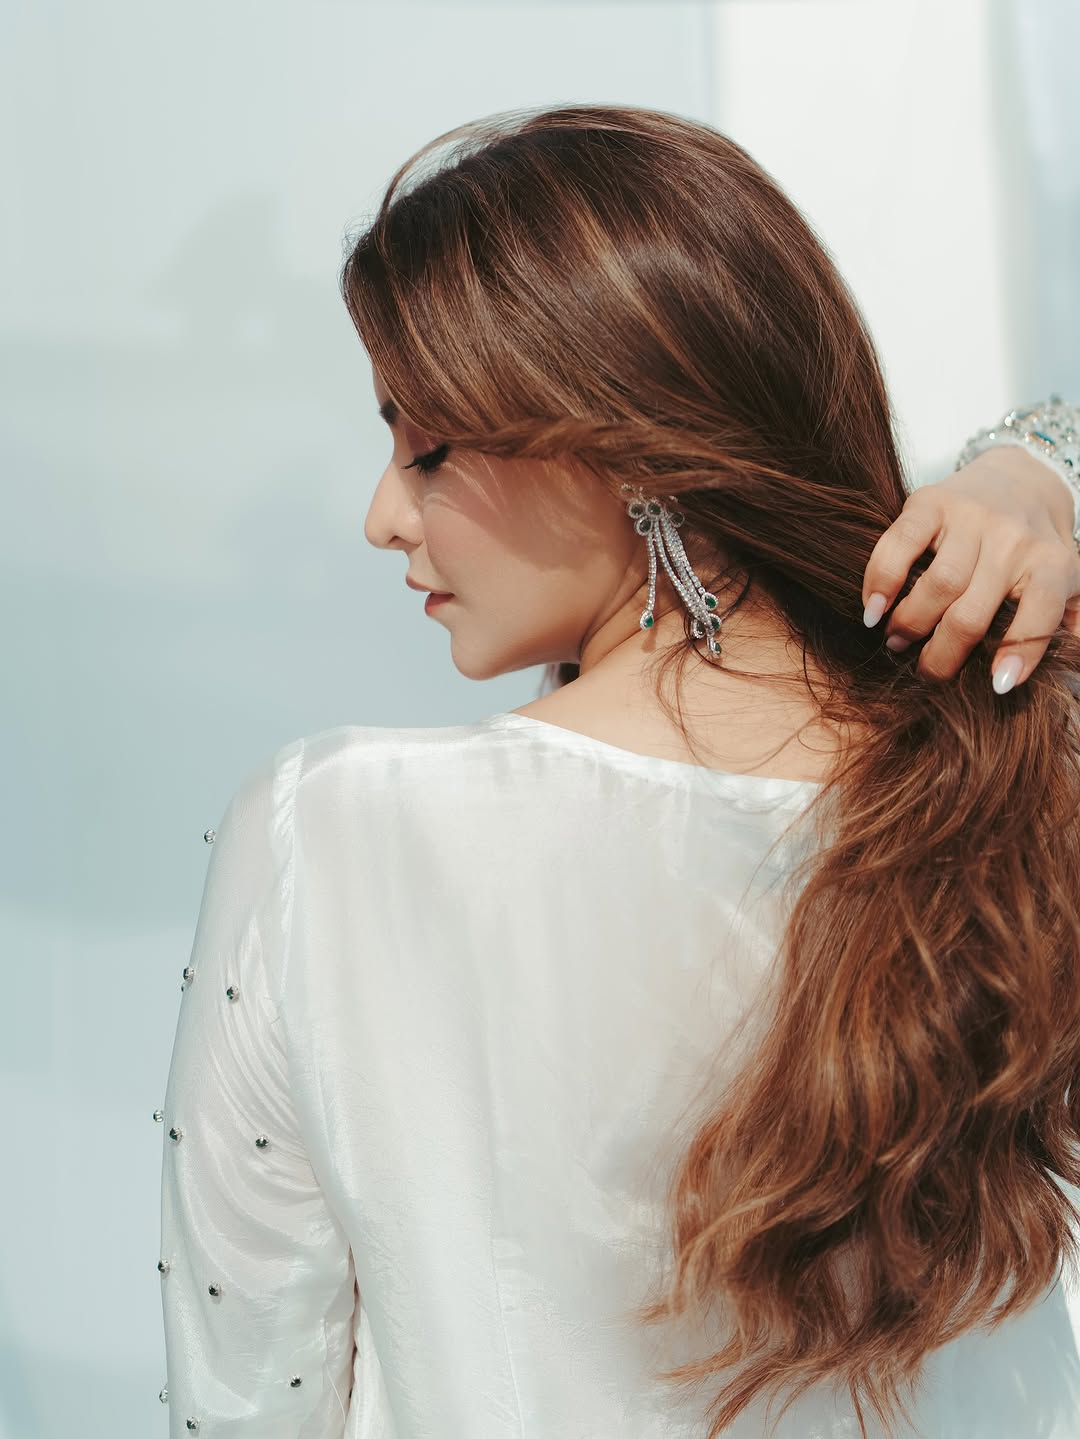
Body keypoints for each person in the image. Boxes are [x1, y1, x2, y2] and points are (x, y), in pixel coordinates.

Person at [155, 103, 1080, 1438]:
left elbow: (248, 1399)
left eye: (427, 447)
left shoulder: (340, 835)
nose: (382, 515)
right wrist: (1034, 473)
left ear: (628, 447)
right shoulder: (1002, 798)